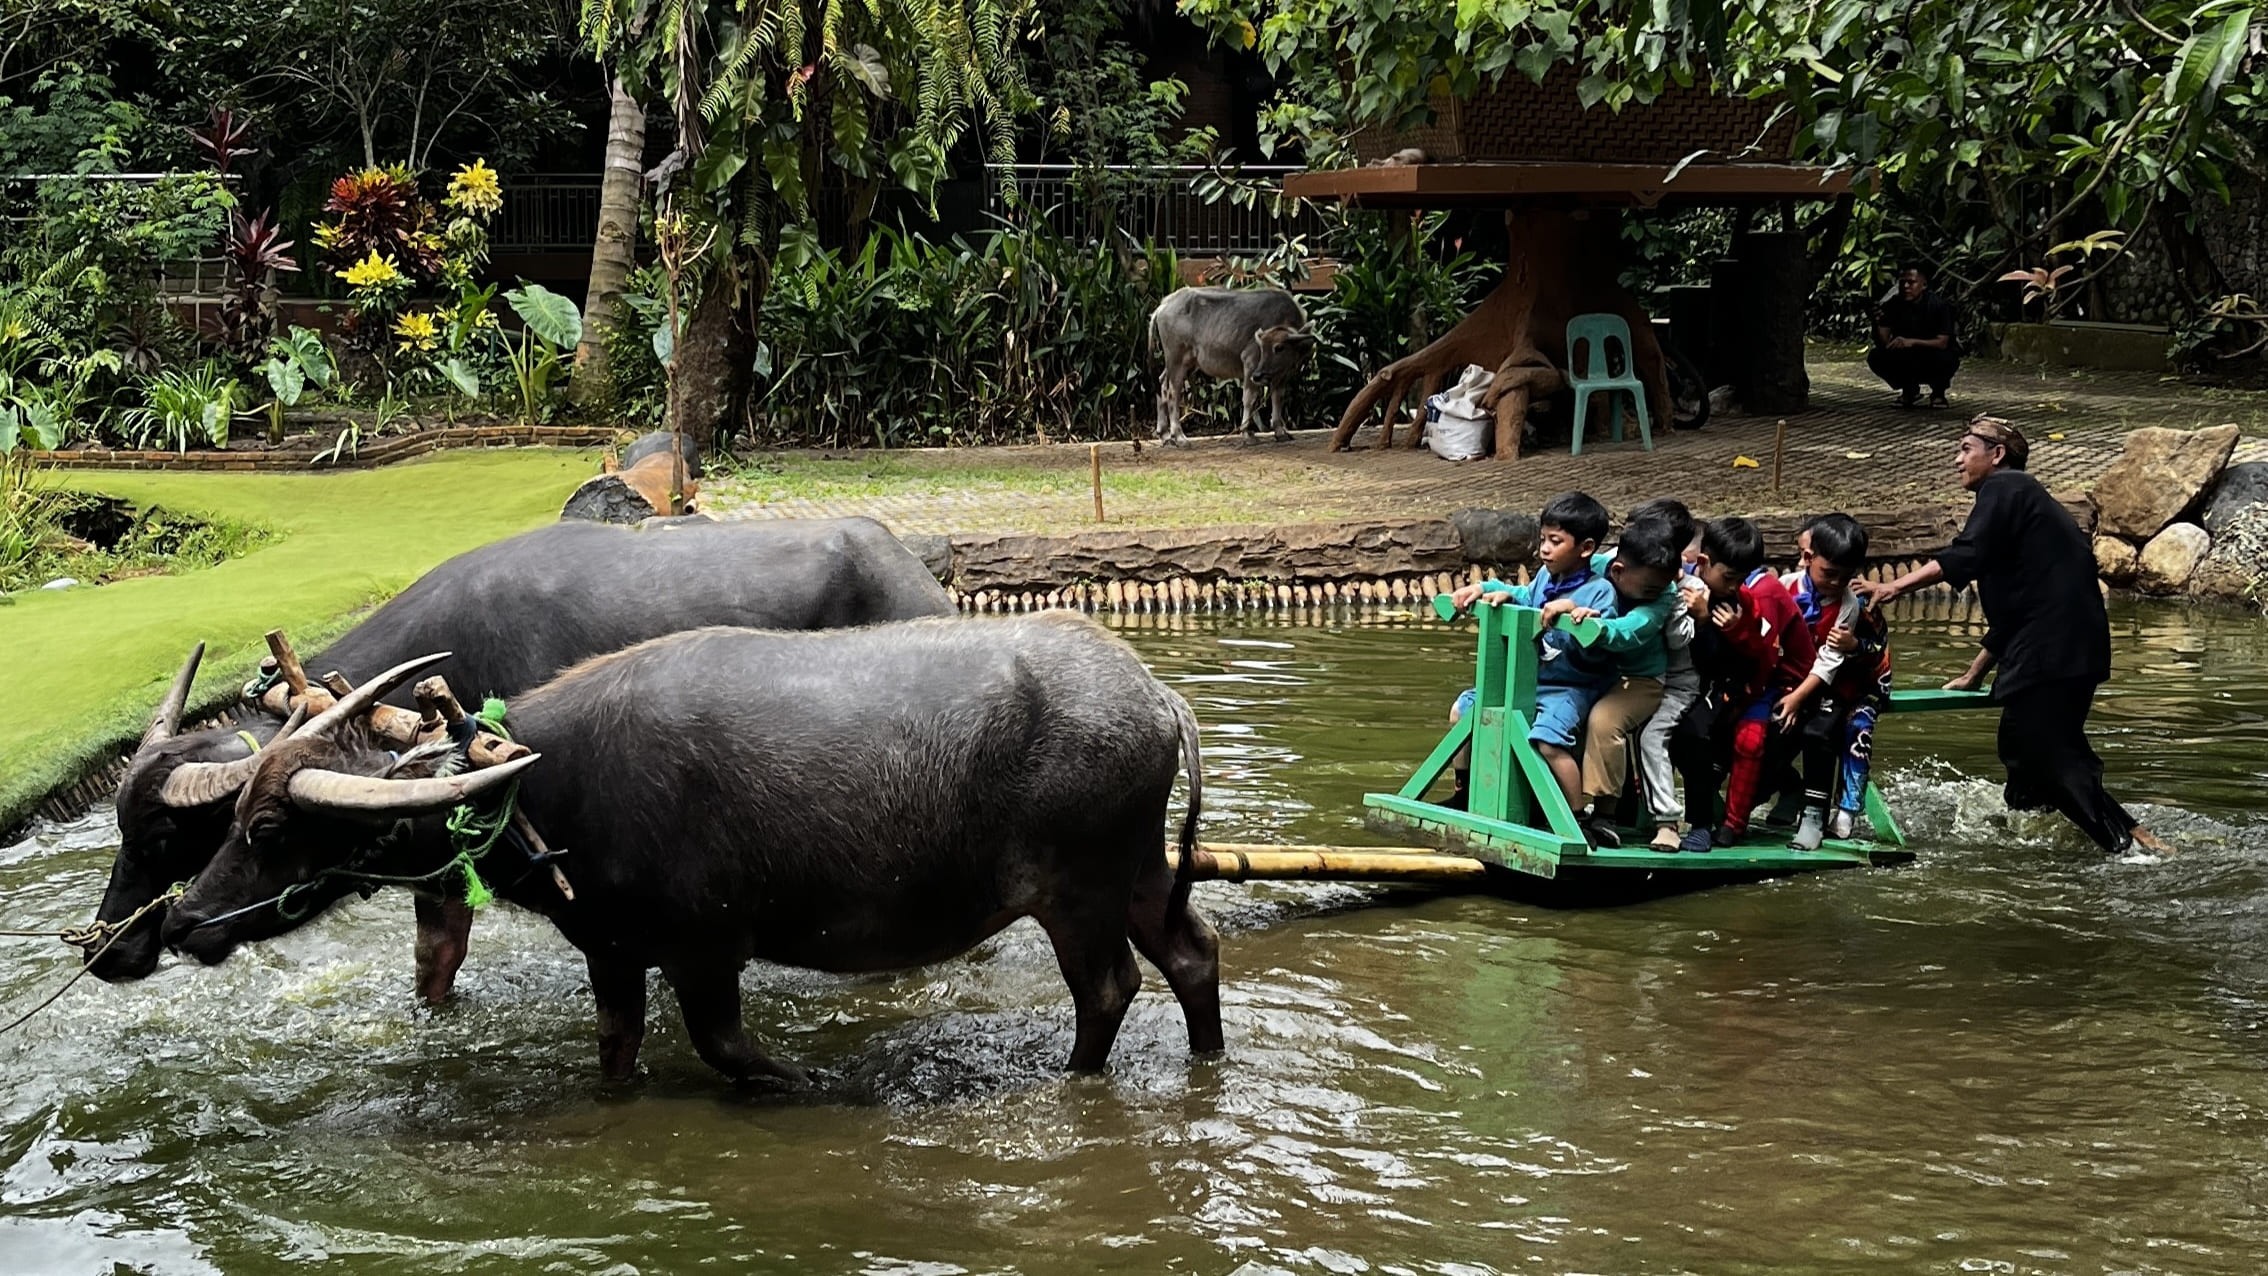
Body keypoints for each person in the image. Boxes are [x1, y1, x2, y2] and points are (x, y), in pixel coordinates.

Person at [1860, 415, 2172, 856]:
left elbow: (1965, 555)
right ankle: (2089, 840)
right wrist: (1973, 674)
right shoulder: (2023, 507)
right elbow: (2014, 613)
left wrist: (1892, 586)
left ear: (1997, 455)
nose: (1957, 460)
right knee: (2032, 761)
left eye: (1966, 449)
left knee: (2038, 751)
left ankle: (2123, 847)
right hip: (2070, 649)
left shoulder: (2006, 489)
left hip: (2053, 650)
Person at [1447, 493, 1616, 821]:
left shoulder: (1600, 591)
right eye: (1543, 539)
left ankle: (1576, 817)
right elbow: (1527, 596)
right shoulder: (1545, 578)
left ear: (1586, 548)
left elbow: (1602, 633)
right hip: (1530, 680)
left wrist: (1576, 613)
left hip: (1572, 686)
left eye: (1556, 541)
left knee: (1549, 743)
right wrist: (1497, 590)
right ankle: (1464, 792)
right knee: (1461, 711)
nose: (1545, 549)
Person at [1771, 513, 1893, 850]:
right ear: (1809, 559)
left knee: (1820, 732)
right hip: (1790, 682)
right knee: (1763, 727)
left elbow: (1832, 663)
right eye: (1829, 574)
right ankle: (1781, 791)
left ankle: (1817, 814)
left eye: (1846, 576)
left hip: (1840, 687)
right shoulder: (1784, 588)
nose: (1837, 583)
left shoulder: (1850, 605)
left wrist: (1798, 698)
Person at [1560, 517, 1683, 848]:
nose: (1655, 593)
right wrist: (1490, 589)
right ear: (1617, 571)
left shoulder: (1663, 594)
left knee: (1604, 719)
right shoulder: (1597, 568)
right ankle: (1553, 802)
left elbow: (1634, 628)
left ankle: (1603, 814)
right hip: (1597, 673)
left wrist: (1599, 628)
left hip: (1641, 680)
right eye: (1648, 588)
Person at [1708, 516, 1818, 847]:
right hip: (1749, 677)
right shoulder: (1710, 587)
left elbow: (1765, 655)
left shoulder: (1761, 593)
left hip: (1781, 682)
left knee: (1749, 740)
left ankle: (1733, 824)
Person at [1868, 263, 1962, 409]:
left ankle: (1938, 393)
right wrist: (1877, 323)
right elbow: (1885, 342)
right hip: (1907, 353)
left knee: (1946, 357)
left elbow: (1942, 342)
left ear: (1923, 285)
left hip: (1934, 351)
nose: (1906, 286)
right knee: (1877, 356)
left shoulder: (1938, 305)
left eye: (1911, 283)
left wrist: (1912, 341)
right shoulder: (1894, 303)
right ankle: (1909, 390)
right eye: (1902, 283)